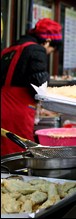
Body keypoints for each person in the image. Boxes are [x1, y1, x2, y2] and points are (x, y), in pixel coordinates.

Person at [1, 18, 63, 156]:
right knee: (17, 151)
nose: (48, 52)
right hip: (17, 110)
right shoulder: (37, 49)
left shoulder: (8, 49)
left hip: (3, 104)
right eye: (51, 49)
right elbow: (38, 82)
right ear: (47, 41)